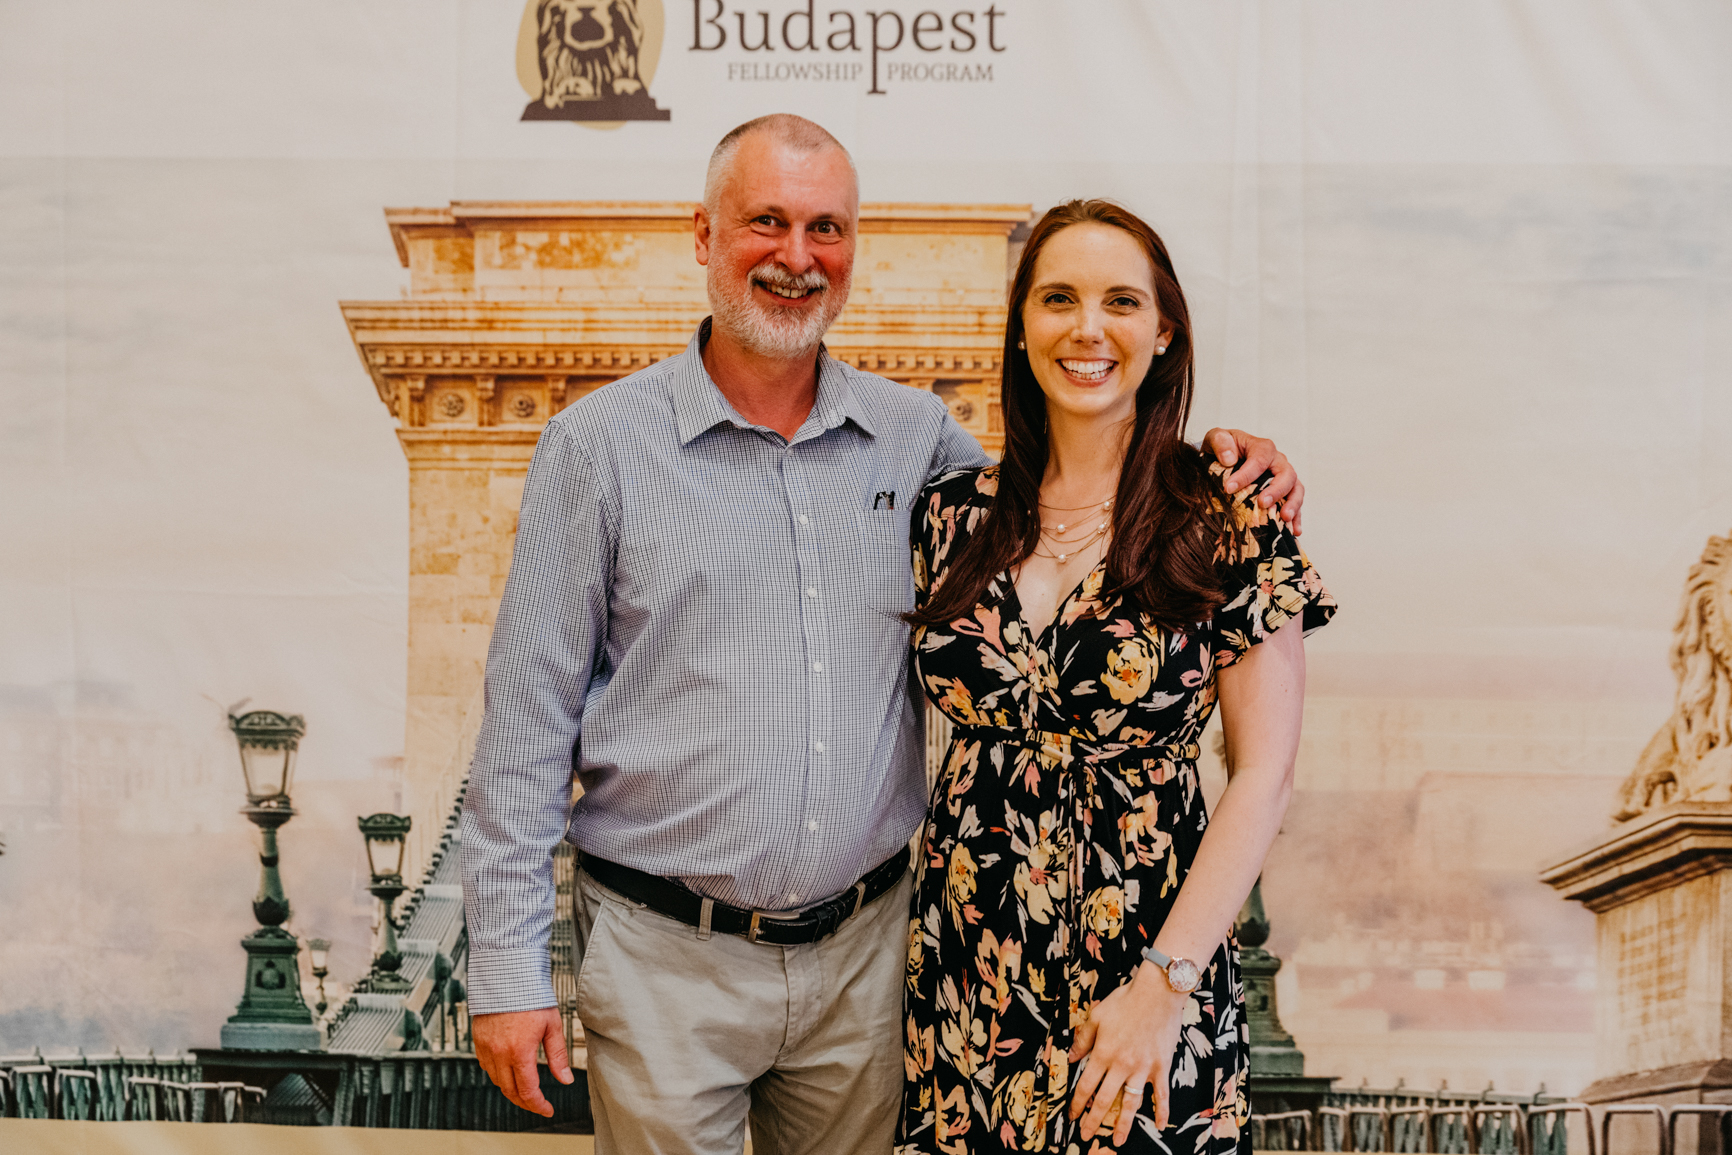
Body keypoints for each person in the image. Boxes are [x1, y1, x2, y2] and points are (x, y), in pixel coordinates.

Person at [459, 115, 1306, 1155]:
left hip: (886, 964)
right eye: (765, 221)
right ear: (703, 234)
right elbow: (526, 725)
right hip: (731, 960)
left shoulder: (922, 451)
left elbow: (1105, 480)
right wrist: (506, 969)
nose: (797, 255)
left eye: (826, 227)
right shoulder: (602, 449)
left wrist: (1228, 457)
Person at [897, 200, 1336, 1155]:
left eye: (1121, 302)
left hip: (1147, 972)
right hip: (968, 979)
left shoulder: (1231, 515)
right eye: (1058, 298)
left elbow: (1265, 775)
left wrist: (1161, 988)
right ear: (1022, 325)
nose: (1087, 328)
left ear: (1163, 330)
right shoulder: (948, 517)